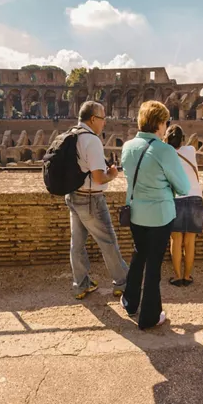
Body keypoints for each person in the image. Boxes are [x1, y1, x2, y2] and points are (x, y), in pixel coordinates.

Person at [120, 101, 190, 330]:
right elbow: (183, 187)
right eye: (165, 121)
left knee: (138, 255)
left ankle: (130, 302)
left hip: (135, 213)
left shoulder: (128, 146)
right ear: (160, 123)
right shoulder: (165, 150)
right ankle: (149, 317)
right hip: (160, 217)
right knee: (154, 265)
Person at [64, 101, 130, 300]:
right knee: (108, 242)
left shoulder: (71, 134)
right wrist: (112, 174)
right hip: (91, 199)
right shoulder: (91, 140)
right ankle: (123, 283)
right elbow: (99, 178)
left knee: (77, 243)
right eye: (103, 119)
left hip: (73, 196)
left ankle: (80, 285)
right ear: (93, 119)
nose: (104, 123)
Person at [164, 124, 203, 287]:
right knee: (190, 241)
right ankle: (187, 276)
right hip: (195, 198)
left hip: (177, 199)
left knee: (176, 240)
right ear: (182, 139)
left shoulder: (165, 155)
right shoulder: (190, 151)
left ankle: (177, 276)